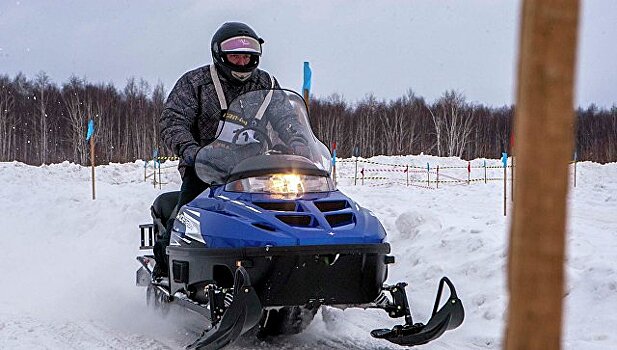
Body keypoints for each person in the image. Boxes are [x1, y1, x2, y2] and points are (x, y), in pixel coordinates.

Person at [152, 22, 304, 278]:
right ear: (219, 55)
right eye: (235, 55)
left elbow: (286, 117)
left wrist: (298, 142)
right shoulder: (196, 83)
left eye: (247, 56)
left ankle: (289, 267)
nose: (242, 61)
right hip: (205, 167)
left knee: (292, 212)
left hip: (258, 170)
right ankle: (164, 271)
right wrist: (190, 149)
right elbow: (173, 120)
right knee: (183, 219)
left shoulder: (267, 83)